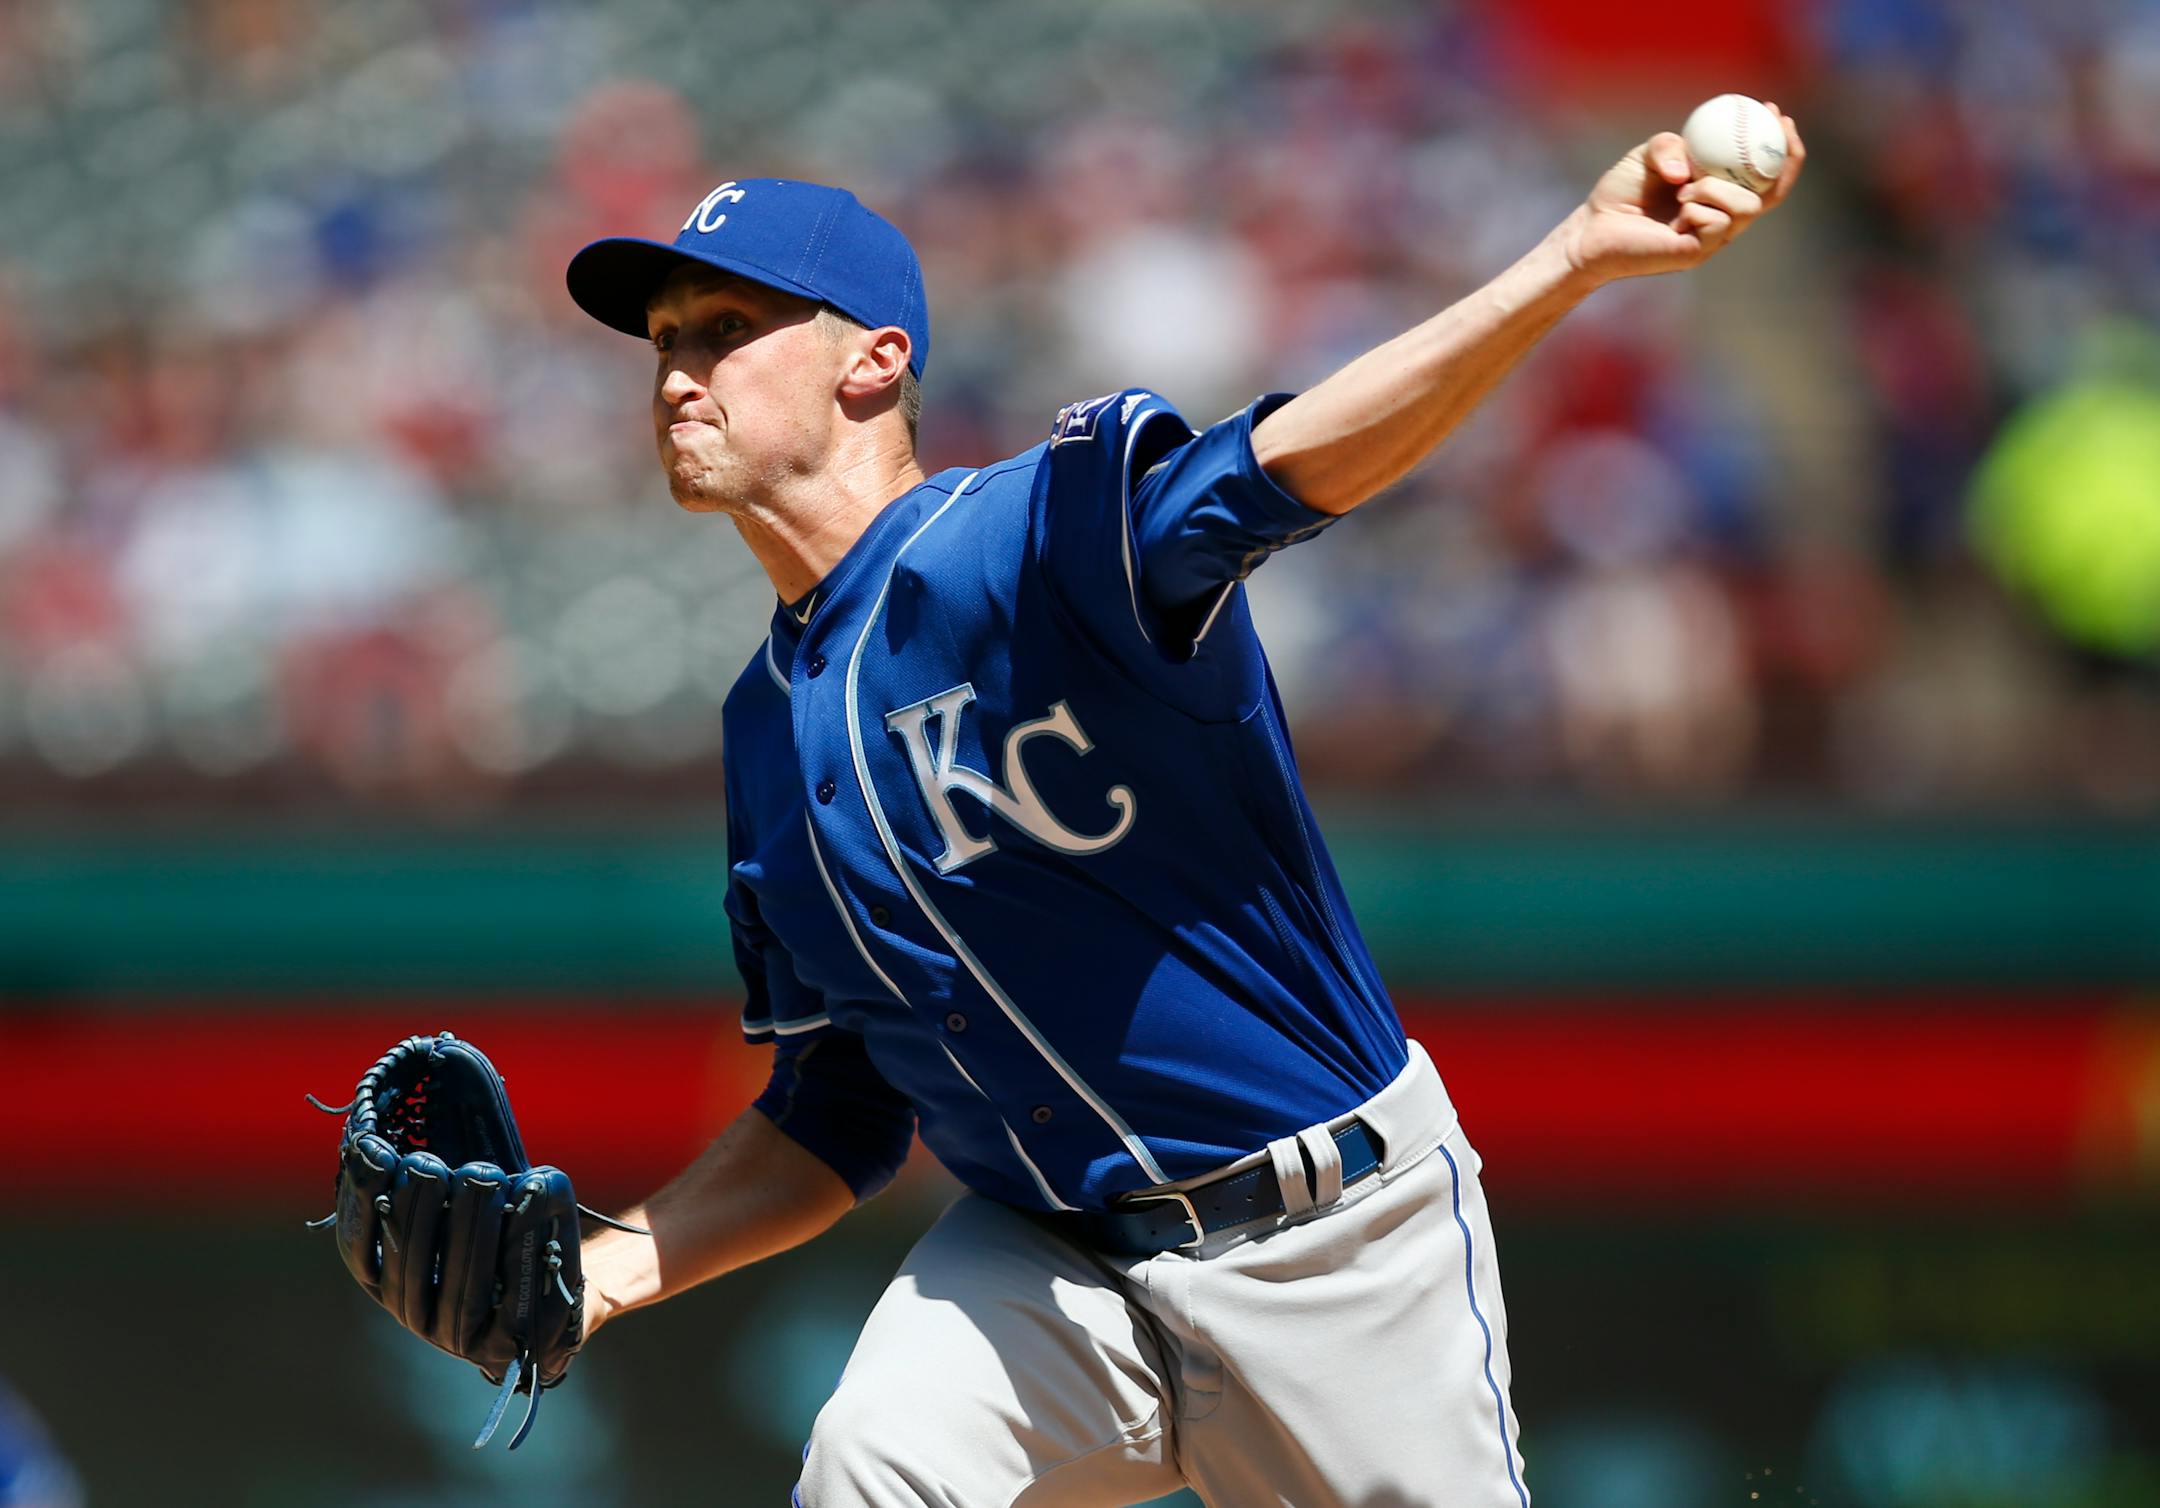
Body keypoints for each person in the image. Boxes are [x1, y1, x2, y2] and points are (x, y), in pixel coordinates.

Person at [563, 110, 1804, 1507]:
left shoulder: (1023, 543)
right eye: (665, 340)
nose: (677, 373)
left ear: (875, 359)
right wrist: (604, 1270)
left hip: (1332, 1235)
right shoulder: (762, 729)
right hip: (1054, 1253)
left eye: (723, 327)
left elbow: (1281, 469)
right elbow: (837, 1107)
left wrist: (1569, 259)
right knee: (873, 1463)